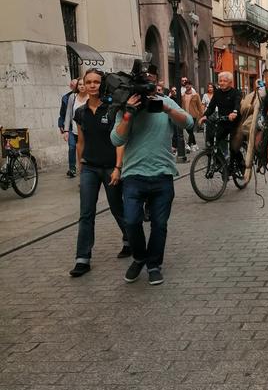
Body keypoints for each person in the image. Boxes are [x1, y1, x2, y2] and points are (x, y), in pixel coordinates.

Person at [110, 86, 193, 285]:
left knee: (159, 224)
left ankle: (154, 264)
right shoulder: (126, 107)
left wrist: (168, 110)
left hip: (162, 173)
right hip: (133, 176)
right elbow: (116, 139)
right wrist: (129, 113)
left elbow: (189, 122)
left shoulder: (166, 102)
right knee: (131, 221)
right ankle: (139, 257)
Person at [69, 69, 130, 277]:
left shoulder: (111, 109)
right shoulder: (80, 113)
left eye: (96, 82)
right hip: (90, 168)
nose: (93, 85)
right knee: (86, 213)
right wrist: (80, 167)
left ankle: (129, 239)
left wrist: (118, 167)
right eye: (89, 82)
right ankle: (82, 258)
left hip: (110, 167)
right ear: (83, 85)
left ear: (101, 84)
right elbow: (81, 142)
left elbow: (120, 140)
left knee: (116, 207)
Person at [201, 71, 241, 159]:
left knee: (233, 147)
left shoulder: (235, 92)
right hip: (222, 121)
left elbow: (237, 104)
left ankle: (240, 164)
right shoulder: (217, 93)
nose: (222, 83)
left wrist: (234, 112)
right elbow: (211, 107)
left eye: (224, 81)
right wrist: (205, 116)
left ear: (230, 82)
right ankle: (222, 161)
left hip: (234, 122)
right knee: (216, 141)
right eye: (220, 81)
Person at [58, 78, 79, 177]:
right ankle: (72, 169)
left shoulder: (86, 96)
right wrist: (61, 124)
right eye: (72, 85)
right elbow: (63, 113)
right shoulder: (66, 98)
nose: (74, 87)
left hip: (82, 126)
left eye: (75, 85)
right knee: (72, 147)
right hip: (70, 127)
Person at [182, 78, 203, 150]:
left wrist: (201, 116)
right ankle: (194, 144)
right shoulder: (183, 95)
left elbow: (199, 106)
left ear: (191, 85)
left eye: (188, 85)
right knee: (189, 130)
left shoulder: (196, 95)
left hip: (193, 115)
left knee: (190, 129)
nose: (187, 86)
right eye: (186, 85)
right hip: (185, 115)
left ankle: (188, 145)